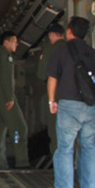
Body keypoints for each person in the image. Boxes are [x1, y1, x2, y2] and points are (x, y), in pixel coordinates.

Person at [46, 16, 95, 188]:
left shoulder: (61, 51)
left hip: (68, 105)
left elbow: (52, 78)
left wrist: (51, 101)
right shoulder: (93, 53)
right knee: (88, 147)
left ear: (69, 31)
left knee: (65, 148)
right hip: (89, 106)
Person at [0, 31, 29, 170]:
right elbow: (7, 78)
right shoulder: (6, 56)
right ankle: (22, 161)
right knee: (19, 128)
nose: (16, 44)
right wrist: (10, 98)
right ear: (6, 42)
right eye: (14, 41)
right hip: (5, 98)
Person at [36, 23, 65, 155]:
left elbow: (42, 74)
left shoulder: (50, 49)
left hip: (56, 95)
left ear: (52, 35)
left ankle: (60, 169)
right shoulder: (71, 47)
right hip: (74, 96)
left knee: (55, 132)